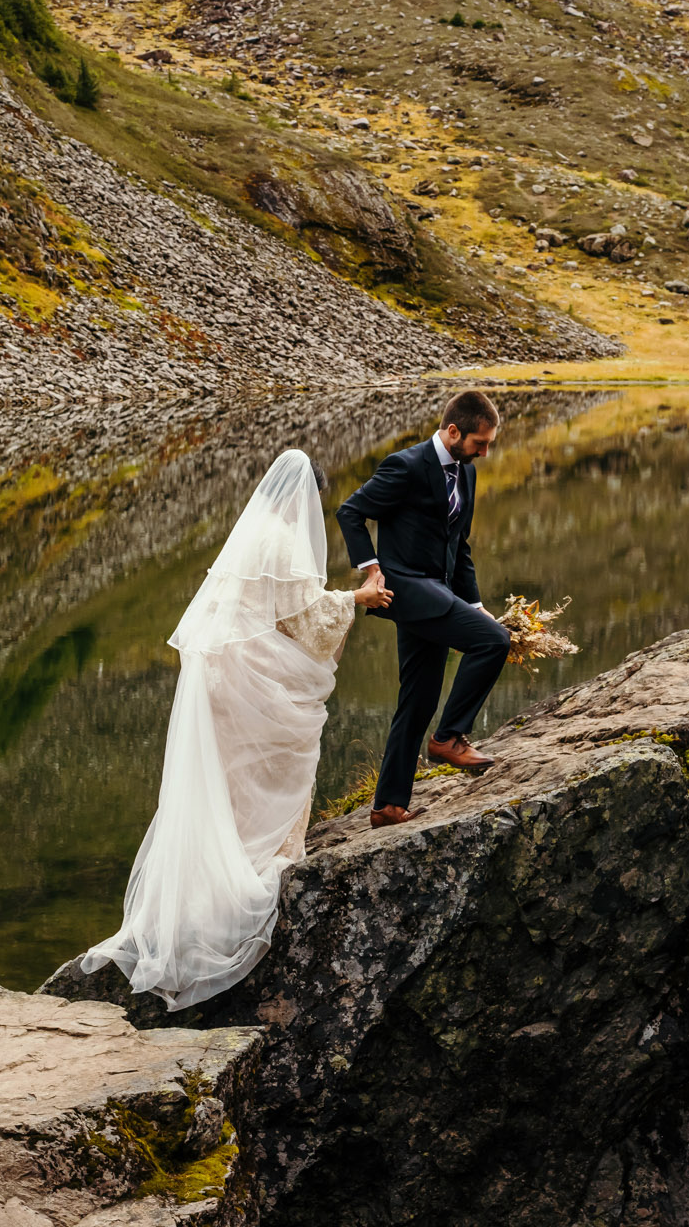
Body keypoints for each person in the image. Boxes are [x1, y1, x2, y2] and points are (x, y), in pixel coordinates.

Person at [78, 449, 392, 1009]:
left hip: (223, 677)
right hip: (256, 682)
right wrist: (359, 598)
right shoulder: (286, 541)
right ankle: (244, 877)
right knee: (268, 771)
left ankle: (202, 889)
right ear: (302, 496)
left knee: (226, 778)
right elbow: (307, 618)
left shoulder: (251, 535)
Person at [336, 390, 506, 830]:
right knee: (493, 642)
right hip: (408, 590)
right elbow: (351, 512)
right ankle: (449, 737)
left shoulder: (464, 473)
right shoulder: (405, 466)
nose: (484, 452)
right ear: (453, 431)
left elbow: (459, 546)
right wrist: (372, 571)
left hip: (441, 594)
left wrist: (476, 604)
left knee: (418, 697)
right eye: (479, 443)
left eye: (488, 444)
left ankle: (388, 807)